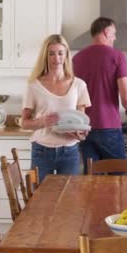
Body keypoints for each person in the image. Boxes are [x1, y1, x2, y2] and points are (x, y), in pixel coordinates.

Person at [20, 34, 91, 182]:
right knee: (39, 199)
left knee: (69, 199)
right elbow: (24, 122)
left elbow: (81, 124)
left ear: (66, 55)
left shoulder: (79, 85)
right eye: (51, 53)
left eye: (60, 53)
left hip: (69, 151)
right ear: (45, 56)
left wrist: (80, 134)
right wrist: (42, 122)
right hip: (41, 150)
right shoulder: (33, 85)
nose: (56, 58)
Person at [73, 17, 127, 172]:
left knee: (91, 178)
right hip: (108, 126)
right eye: (114, 33)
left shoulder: (77, 58)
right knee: (119, 177)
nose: (115, 38)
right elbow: (126, 97)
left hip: (85, 126)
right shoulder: (118, 56)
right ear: (106, 32)